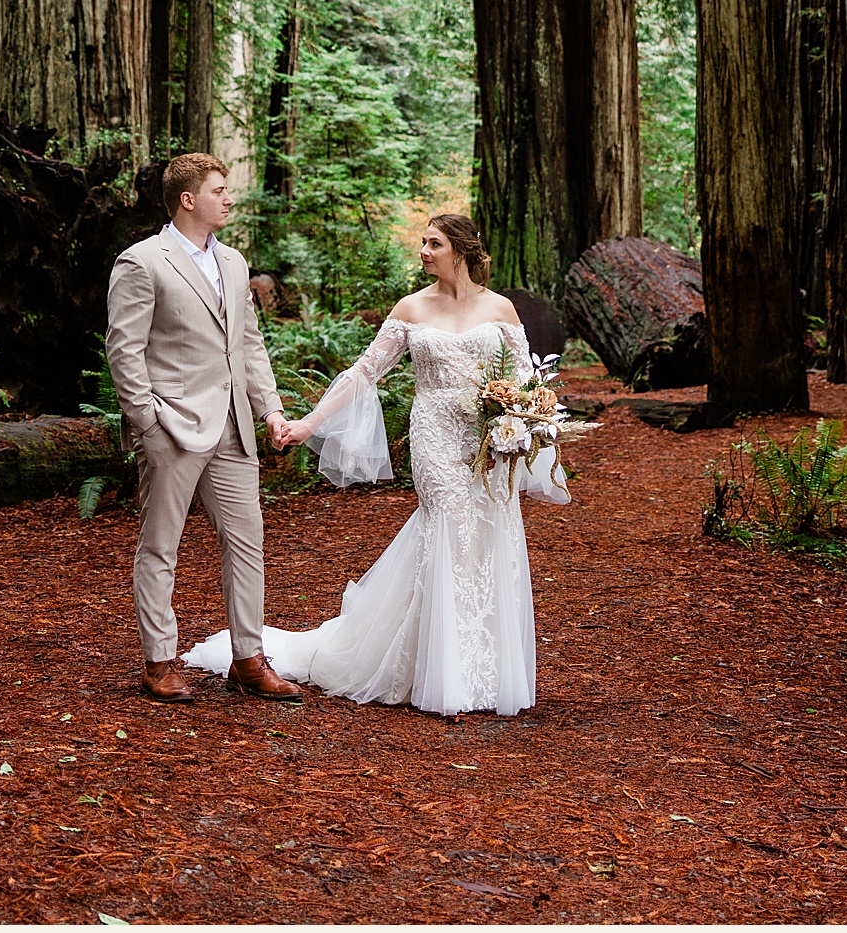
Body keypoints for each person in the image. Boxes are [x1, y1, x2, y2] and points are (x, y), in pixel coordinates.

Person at [180, 214, 549, 717]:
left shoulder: (500, 308)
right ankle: (445, 674)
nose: (422, 250)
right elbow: (364, 374)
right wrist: (309, 423)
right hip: (436, 436)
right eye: (422, 242)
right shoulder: (412, 308)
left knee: (486, 533)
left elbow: (527, 384)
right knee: (448, 524)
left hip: (487, 442)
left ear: (460, 251)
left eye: (433, 243)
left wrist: (521, 427)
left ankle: (483, 667)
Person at [103, 152, 302, 705]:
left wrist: (270, 410)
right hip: (173, 428)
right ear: (188, 200)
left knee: (248, 544)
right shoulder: (142, 262)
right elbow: (124, 350)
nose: (228, 198)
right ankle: (159, 661)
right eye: (219, 190)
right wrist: (148, 421)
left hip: (234, 427)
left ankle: (248, 658)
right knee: (160, 546)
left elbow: (250, 344)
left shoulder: (235, 263)